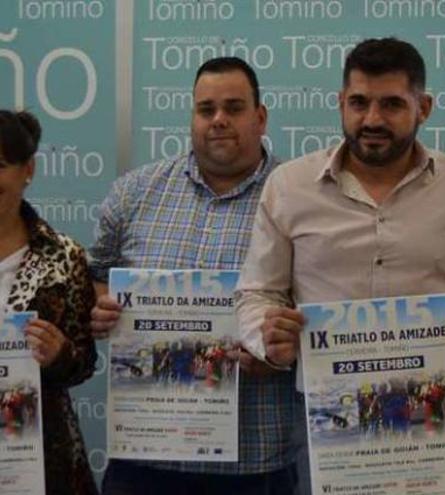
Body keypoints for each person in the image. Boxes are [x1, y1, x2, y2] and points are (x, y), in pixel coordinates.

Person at [235, 37, 445, 487]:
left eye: (391, 104)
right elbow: (257, 293)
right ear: (340, 103)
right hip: (327, 420)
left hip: (434, 415)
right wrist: (264, 336)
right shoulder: (289, 186)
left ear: (423, 107)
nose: (372, 119)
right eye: (359, 103)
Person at [87, 57, 306, 494]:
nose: (219, 120)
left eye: (234, 108)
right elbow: (95, 275)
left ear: (260, 117)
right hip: (143, 460)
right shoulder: (135, 192)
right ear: (192, 116)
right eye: (206, 109)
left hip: (253, 464)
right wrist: (99, 306)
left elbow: (321, 306)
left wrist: (283, 347)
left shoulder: (301, 198)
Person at [0, 110, 98, 495]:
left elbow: (84, 362)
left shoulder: (65, 256)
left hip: (38, 457)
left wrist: (60, 356)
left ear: (29, 170)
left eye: (0, 165)